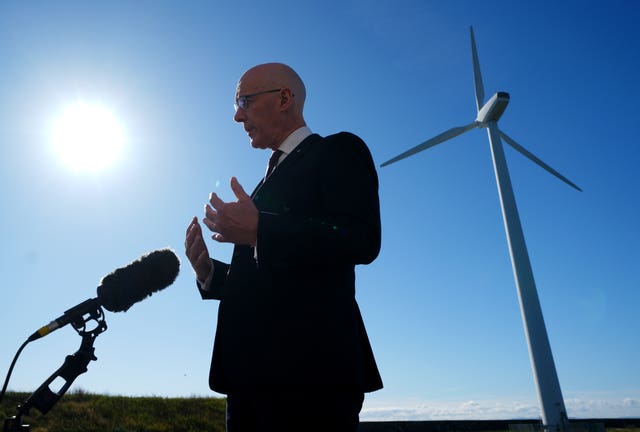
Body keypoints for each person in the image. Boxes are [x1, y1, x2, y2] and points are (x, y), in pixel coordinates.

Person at [184, 63, 382, 432]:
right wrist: (210, 273)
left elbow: (361, 238)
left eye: (244, 100)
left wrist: (261, 229)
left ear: (284, 99)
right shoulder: (264, 182)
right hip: (247, 383)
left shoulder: (338, 151)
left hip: (310, 379)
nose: (236, 115)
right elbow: (268, 276)